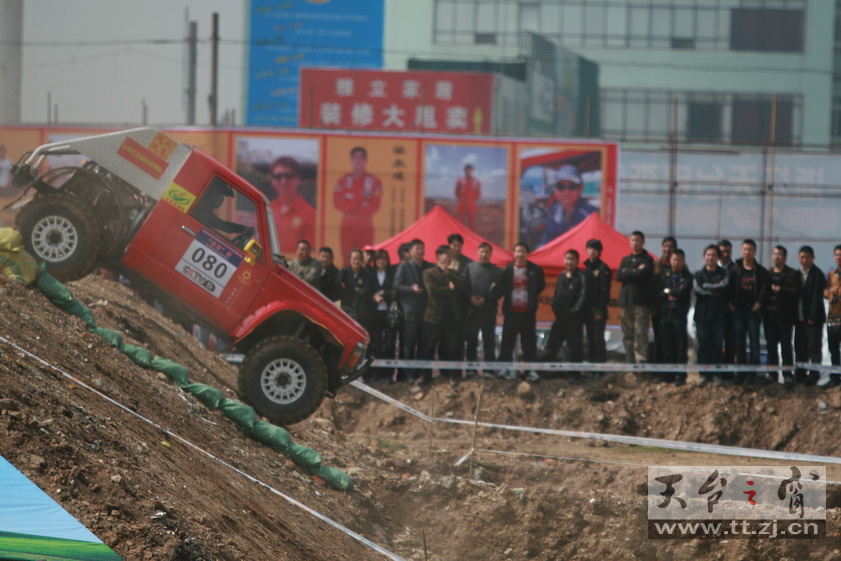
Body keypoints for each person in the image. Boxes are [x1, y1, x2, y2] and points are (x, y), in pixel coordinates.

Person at [492, 242, 545, 381]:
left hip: (528, 314)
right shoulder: (507, 270)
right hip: (511, 313)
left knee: (529, 344)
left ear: (527, 254)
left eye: (523, 251)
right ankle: (503, 370)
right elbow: (499, 289)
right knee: (507, 343)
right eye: (517, 251)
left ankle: (530, 371)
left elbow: (540, 286)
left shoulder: (535, 270)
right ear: (514, 253)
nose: (520, 254)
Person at [421, 245, 467, 386]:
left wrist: (449, 275)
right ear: (439, 256)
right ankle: (425, 375)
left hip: (451, 317)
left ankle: (450, 374)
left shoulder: (454, 274)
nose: (449, 258)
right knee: (428, 347)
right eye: (446, 254)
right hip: (434, 317)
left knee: (450, 347)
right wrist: (449, 289)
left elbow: (461, 288)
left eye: (451, 255)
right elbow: (433, 291)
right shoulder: (429, 273)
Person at [728, 239, 770, 385]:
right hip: (737, 311)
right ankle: (741, 372)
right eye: (745, 249)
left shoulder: (760, 271)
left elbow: (765, 289)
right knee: (739, 343)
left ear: (754, 252)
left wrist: (759, 303)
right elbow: (728, 287)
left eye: (750, 250)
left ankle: (752, 373)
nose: (747, 252)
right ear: (741, 251)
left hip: (753, 312)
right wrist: (730, 305)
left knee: (754, 343)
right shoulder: (734, 269)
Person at [394, 239, 432, 382]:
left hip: (426, 312)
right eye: (417, 248)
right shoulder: (404, 267)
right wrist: (410, 289)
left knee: (423, 345)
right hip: (409, 312)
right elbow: (397, 286)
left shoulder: (429, 267)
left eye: (422, 248)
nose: (420, 251)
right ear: (410, 251)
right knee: (408, 345)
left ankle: (421, 373)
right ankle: (407, 374)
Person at [541, 250, 586, 372]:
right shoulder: (562, 276)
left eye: (572, 259)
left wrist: (571, 312)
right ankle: (544, 372)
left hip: (573, 320)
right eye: (567, 259)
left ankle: (574, 375)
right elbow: (556, 294)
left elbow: (581, 298)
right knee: (551, 346)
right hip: (559, 319)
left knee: (574, 349)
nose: (569, 262)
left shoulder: (581, 278)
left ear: (577, 261)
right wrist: (555, 308)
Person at [334, 146, 382, 260]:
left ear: (366, 160)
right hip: (347, 225)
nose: (358, 160)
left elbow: (374, 206)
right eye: (356, 157)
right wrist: (359, 202)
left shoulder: (374, 181)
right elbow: (337, 203)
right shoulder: (343, 181)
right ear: (351, 159)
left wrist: (351, 202)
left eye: (361, 157)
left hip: (365, 226)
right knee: (347, 258)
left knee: (366, 258)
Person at [764, 246, 801, 387]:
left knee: (786, 346)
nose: (777, 256)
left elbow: (796, 291)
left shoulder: (792, 273)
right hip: (769, 317)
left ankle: (787, 375)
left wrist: (781, 290)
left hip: (785, 317)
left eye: (779, 254)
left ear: (785, 257)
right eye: (775, 254)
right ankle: (772, 374)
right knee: (771, 346)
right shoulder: (767, 274)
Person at [615, 231, 654, 364]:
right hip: (626, 301)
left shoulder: (647, 260)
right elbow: (619, 276)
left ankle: (641, 361)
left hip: (641, 302)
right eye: (633, 240)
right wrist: (634, 271)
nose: (635, 243)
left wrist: (628, 272)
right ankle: (630, 361)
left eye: (638, 240)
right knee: (627, 333)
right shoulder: (625, 260)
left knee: (640, 333)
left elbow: (643, 274)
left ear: (643, 242)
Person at [694, 245, 730, 387]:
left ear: (718, 257)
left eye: (713, 255)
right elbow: (698, 290)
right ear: (704, 256)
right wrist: (715, 290)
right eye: (708, 255)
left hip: (719, 315)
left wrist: (707, 287)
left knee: (717, 346)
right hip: (702, 316)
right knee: (703, 346)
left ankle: (716, 374)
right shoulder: (698, 274)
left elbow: (724, 287)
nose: (710, 257)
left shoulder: (724, 273)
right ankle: (703, 374)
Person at [656, 249, 693, 385]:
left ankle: (680, 375)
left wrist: (669, 292)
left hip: (679, 315)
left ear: (683, 261)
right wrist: (669, 294)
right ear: (670, 261)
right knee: (667, 346)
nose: (676, 263)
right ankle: (667, 375)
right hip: (665, 315)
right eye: (674, 260)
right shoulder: (664, 275)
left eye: (679, 260)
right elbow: (659, 292)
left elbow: (681, 292)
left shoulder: (687, 277)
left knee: (680, 347)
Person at [464, 242, 501, 373]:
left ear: (491, 254)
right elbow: (464, 287)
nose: (484, 254)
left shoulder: (497, 271)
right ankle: (471, 370)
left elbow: (498, 292)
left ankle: (489, 370)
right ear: (478, 252)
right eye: (482, 252)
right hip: (472, 311)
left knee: (489, 341)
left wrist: (485, 300)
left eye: (487, 252)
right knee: (471, 340)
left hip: (488, 311)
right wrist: (470, 299)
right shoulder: (469, 268)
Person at [267, 156, 315, 255]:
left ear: (298, 179)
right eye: (278, 176)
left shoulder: (309, 213)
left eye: (288, 176)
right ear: (272, 180)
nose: (283, 181)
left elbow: (311, 251)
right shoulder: (267, 208)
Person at [795, 245, 825, 386]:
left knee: (814, 346)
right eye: (802, 257)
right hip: (799, 318)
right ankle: (800, 373)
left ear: (813, 258)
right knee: (800, 346)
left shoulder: (817, 275)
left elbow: (816, 298)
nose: (804, 260)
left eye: (807, 257)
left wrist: (812, 316)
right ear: (798, 258)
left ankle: (814, 374)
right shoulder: (797, 274)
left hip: (813, 319)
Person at [543, 165, 597, 244]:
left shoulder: (590, 215)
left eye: (571, 187)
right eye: (560, 187)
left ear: (581, 188)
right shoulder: (552, 212)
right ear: (555, 190)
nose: (566, 192)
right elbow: (546, 242)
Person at [367, 249, 397, 383]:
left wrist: (384, 293)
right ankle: (377, 374)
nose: (381, 261)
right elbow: (366, 292)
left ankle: (389, 374)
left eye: (384, 258)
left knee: (390, 344)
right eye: (379, 258)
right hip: (375, 313)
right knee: (377, 344)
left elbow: (396, 290)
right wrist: (373, 297)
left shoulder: (392, 273)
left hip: (390, 313)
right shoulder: (370, 274)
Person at [583, 239, 612, 363]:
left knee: (598, 339)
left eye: (594, 249)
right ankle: (592, 366)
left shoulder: (603, 268)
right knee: (590, 339)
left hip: (598, 310)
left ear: (599, 251)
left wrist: (599, 310)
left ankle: (600, 367)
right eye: (589, 248)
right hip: (587, 309)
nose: (592, 251)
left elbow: (604, 292)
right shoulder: (586, 267)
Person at [651, 236, 677, 363]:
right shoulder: (656, 264)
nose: (667, 249)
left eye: (670, 247)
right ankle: (658, 367)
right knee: (659, 339)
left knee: (673, 339)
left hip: (674, 309)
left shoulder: (678, 264)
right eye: (665, 246)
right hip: (658, 308)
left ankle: (672, 368)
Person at [339, 249, 371, 328]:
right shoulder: (344, 272)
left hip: (361, 311)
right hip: (346, 309)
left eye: (358, 259)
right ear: (349, 260)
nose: (356, 261)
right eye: (354, 259)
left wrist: (351, 289)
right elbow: (340, 288)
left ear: (362, 260)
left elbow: (366, 291)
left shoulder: (366, 274)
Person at [824, 245, 841, 387]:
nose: (839, 257)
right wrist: (831, 293)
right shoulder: (831, 274)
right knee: (833, 349)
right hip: (834, 317)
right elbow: (824, 291)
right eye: (837, 255)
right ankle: (835, 376)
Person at [718, 239, 737, 369]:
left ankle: (728, 373)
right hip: (715, 312)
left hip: (731, 312)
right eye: (722, 251)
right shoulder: (712, 268)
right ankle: (716, 372)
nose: (725, 254)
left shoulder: (736, 269)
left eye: (728, 251)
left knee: (731, 343)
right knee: (715, 344)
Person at [455, 164, 481, 230]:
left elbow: (478, 193)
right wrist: (460, 199)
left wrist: (473, 200)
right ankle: (459, 234)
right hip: (462, 203)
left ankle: (472, 234)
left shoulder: (476, 182)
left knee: (472, 222)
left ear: (472, 171)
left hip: (471, 203)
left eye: (470, 170)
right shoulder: (460, 181)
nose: (468, 172)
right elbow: (457, 191)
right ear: (464, 171)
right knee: (459, 220)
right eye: (467, 170)